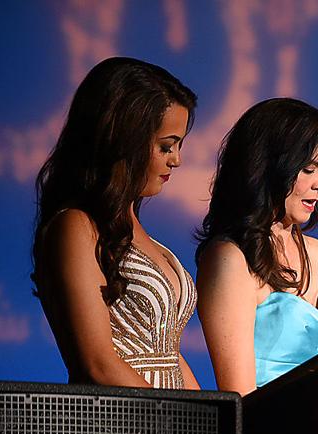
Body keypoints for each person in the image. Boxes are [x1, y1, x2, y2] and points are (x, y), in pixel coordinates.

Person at [33, 57, 199, 389]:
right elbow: (98, 365)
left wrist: (212, 415)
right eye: (166, 146)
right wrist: (177, 415)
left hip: (171, 415)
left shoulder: (133, 227)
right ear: (124, 139)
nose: (177, 160)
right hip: (119, 417)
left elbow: (169, 354)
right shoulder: (76, 227)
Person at [195, 98, 318, 394]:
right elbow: (240, 394)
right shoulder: (230, 258)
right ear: (268, 167)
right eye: (310, 169)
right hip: (269, 422)